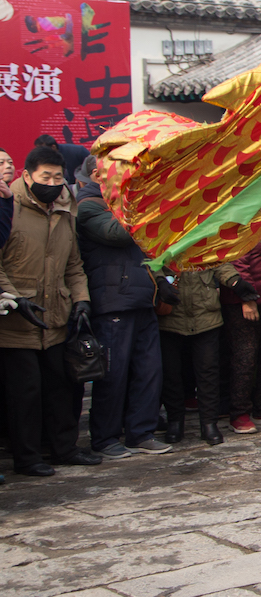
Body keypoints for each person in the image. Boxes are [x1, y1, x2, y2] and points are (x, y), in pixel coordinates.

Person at [0, 144, 96, 475]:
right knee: (25, 394)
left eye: (58, 177)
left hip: (55, 316)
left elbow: (73, 264)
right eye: (45, 177)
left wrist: (81, 299)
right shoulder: (8, 207)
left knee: (63, 388)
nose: (53, 183)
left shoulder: (65, 209)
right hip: (16, 322)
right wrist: (15, 299)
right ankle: (27, 458)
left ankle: (64, 449)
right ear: (27, 176)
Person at [77, 156, 170, 458]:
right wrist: (140, 204)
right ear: (97, 175)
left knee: (149, 371)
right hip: (113, 301)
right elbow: (117, 234)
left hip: (142, 299)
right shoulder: (89, 205)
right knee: (113, 374)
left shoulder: (126, 204)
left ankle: (141, 432)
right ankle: (105, 437)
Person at [159, 263, 257, 444]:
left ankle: (209, 424)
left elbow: (219, 262)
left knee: (208, 372)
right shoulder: (163, 243)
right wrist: (160, 281)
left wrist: (235, 281)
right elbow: (153, 263)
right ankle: (175, 422)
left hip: (206, 314)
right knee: (171, 373)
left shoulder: (204, 243)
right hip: (172, 316)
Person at [221, 241, 261, 433]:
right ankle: (239, 412)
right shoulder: (245, 224)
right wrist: (246, 297)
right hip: (244, 300)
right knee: (245, 357)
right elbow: (237, 259)